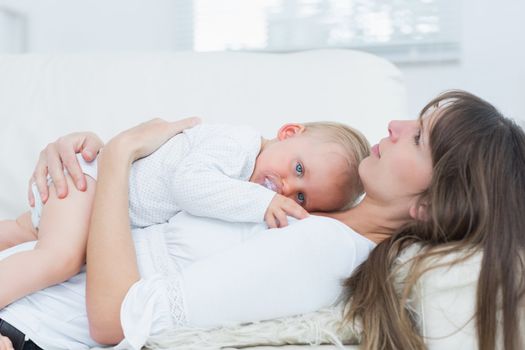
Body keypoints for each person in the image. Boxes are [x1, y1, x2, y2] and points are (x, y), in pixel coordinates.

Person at [1, 90, 522, 350]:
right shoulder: (316, 205)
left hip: (29, 330)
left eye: (418, 137)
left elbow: (115, 319)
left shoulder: (326, 248)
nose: (395, 123)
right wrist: (79, 161)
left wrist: (116, 156)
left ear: (430, 206)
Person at [0, 121, 370, 310]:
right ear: (289, 132)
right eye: (299, 168)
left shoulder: (246, 176)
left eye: (302, 196)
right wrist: (260, 204)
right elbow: (188, 186)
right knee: (58, 258)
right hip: (92, 180)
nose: (286, 187)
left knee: (24, 234)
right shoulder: (236, 144)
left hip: (95, 204)